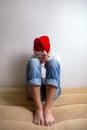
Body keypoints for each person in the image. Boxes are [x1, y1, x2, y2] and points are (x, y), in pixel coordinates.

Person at [26, 36, 61, 126]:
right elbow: (32, 76)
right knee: (33, 62)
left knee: (53, 62)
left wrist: (47, 62)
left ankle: (47, 109)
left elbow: (56, 76)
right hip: (34, 93)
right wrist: (39, 62)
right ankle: (38, 108)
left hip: (51, 92)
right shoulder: (32, 58)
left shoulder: (55, 56)